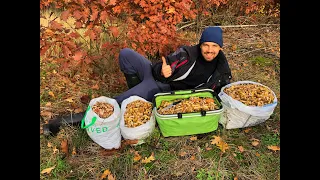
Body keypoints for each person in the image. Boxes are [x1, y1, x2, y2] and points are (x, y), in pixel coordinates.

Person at [114, 26, 232, 105]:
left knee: (119, 102)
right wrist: (161, 70)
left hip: (164, 88)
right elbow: (161, 66)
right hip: (159, 77)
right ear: (200, 45)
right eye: (206, 45)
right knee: (126, 54)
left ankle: (136, 97)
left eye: (214, 46)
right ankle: (138, 93)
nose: (209, 50)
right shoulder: (187, 54)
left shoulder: (222, 70)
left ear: (220, 47)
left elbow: (221, 92)